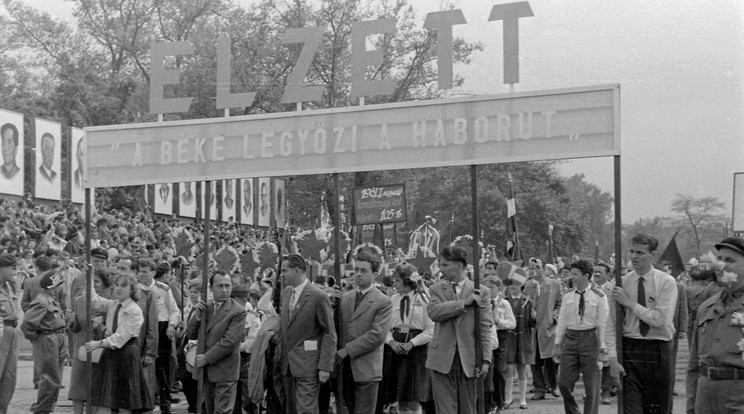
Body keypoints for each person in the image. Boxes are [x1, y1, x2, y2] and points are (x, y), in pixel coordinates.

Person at [607, 233, 678, 414]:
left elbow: (661, 320)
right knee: (631, 408)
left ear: (652, 255)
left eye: (640, 252)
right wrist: (613, 359)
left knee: (658, 408)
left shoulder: (666, 282)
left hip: (658, 350)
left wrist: (630, 303)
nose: (634, 256)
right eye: (632, 251)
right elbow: (611, 325)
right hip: (631, 349)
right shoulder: (620, 284)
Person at [425, 246, 492, 414]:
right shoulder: (436, 289)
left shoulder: (481, 292)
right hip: (441, 360)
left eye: (445, 265)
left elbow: (484, 328)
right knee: (446, 410)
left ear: (460, 266)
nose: (441, 270)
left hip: (469, 361)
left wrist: (486, 360)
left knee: (467, 409)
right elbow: (434, 312)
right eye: (440, 265)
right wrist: (463, 303)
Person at [686, 237, 744, 413]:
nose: (721, 266)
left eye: (729, 261)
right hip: (705, 397)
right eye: (719, 259)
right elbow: (694, 364)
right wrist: (691, 406)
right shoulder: (707, 306)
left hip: (738, 396)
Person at [86, 273, 151, 413]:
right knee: (107, 399)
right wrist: (89, 276)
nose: (118, 289)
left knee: (124, 401)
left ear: (132, 289)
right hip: (111, 354)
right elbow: (93, 301)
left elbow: (121, 338)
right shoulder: (113, 304)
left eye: (123, 286)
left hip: (126, 354)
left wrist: (98, 343)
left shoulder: (134, 310)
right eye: (117, 285)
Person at [279, 254, 336, 414]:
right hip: (288, 365)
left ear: (296, 270)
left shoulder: (318, 296)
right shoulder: (286, 293)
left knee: (306, 410)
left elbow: (329, 333)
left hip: (308, 365)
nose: (281, 275)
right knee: (292, 408)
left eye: (284, 271)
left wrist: (325, 367)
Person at [337, 251, 392, 414]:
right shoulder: (346, 298)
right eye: (356, 270)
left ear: (374, 274)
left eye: (364, 271)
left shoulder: (383, 301)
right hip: (346, 368)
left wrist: (348, 349)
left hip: (367, 368)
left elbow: (377, 335)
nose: (358, 274)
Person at [186, 271, 246, 414]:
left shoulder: (238, 311)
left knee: (222, 411)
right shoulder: (205, 307)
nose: (224, 290)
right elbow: (191, 334)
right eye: (220, 286)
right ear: (211, 288)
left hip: (225, 370)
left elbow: (229, 342)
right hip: (207, 371)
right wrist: (197, 317)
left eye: (227, 286)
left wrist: (206, 358)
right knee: (210, 409)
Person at [553, 260, 608, 414]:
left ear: (586, 276)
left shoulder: (599, 296)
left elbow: (603, 324)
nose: (572, 277)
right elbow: (562, 321)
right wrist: (557, 344)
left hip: (590, 339)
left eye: (575, 274)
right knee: (563, 383)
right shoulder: (568, 295)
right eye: (571, 274)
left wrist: (603, 347)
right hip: (570, 340)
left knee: (592, 387)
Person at [381, 263, 434, 414]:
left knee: (414, 397)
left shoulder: (424, 300)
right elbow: (385, 327)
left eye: (397, 280)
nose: (394, 284)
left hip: (416, 350)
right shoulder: (393, 299)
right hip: (395, 348)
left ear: (407, 281)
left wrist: (412, 343)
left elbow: (431, 329)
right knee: (399, 396)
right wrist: (390, 341)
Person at [21, 269, 70, 414]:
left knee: (55, 380)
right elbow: (27, 325)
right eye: (59, 284)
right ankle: (41, 410)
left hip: (56, 338)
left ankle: (47, 409)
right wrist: (39, 339)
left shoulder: (51, 299)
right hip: (47, 339)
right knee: (50, 379)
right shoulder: (42, 301)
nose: (61, 287)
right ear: (53, 286)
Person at [68, 269, 109, 414]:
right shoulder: (78, 301)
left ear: (104, 285)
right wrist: (72, 321)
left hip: (100, 346)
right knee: (78, 385)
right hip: (81, 345)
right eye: (88, 282)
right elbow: (75, 327)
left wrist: (102, 323)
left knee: (95, 387)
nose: (91, 285)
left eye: (96, 282)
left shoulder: (107, 302)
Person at [525, 259, 562, 400]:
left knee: (551, 359)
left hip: (549, 326)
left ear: (543, 268)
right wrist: (530, 314)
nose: (535, 270)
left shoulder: (554, 284)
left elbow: (560, 302)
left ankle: (553, 385)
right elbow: (525, 304)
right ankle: (539, 387)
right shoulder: (528, 285)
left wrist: (554, 316)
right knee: (534, 359)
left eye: (538, 267)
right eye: (531, 268)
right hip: (533, 327)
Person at [483, 266, 516, 414]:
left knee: (499, 370)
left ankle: (500, 402)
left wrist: (500, 321)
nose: (490, 289)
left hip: (501, 337)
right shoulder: (483, 303)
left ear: (498, 288)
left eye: (492, 287)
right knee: (487, 372)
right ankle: (488, 403)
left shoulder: (504, 303)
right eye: (487, 286)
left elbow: (512, 323)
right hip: (487, 338)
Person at [504, 276, 536, 409]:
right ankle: (508, 398)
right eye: (511, 284)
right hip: (509, 338)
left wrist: (534, 318)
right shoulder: (504, 301)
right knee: (509, 368)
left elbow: (532, 323)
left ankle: (523, 399)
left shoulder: (528, 301)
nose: (513, 287)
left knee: (522, 368)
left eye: (516, 284)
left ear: (521, 286)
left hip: (524, 338)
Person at [153, 262, 179, 413]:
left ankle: (165, 403)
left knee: (163, 368)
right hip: (144, 327)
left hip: (162, 327)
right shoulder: (136, 288)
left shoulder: (163, 289)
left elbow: (174, 310)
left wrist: (171, 325)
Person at [593, 262, 616, 404]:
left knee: (606, 361)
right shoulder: (589, 289)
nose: (596, 274)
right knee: (592, 362)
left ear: (608, 275)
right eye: (595, 271)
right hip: (592, 330)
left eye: (600, 272)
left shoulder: (612, 290)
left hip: (608, 329)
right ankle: (593, 390)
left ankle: (606, 392)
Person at [0, 253, 20, 413]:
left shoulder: (10, 286)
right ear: (3, 268)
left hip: (12, 332)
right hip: (1, 331)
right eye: (13, 268)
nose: (15, 272)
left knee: (9, 376)